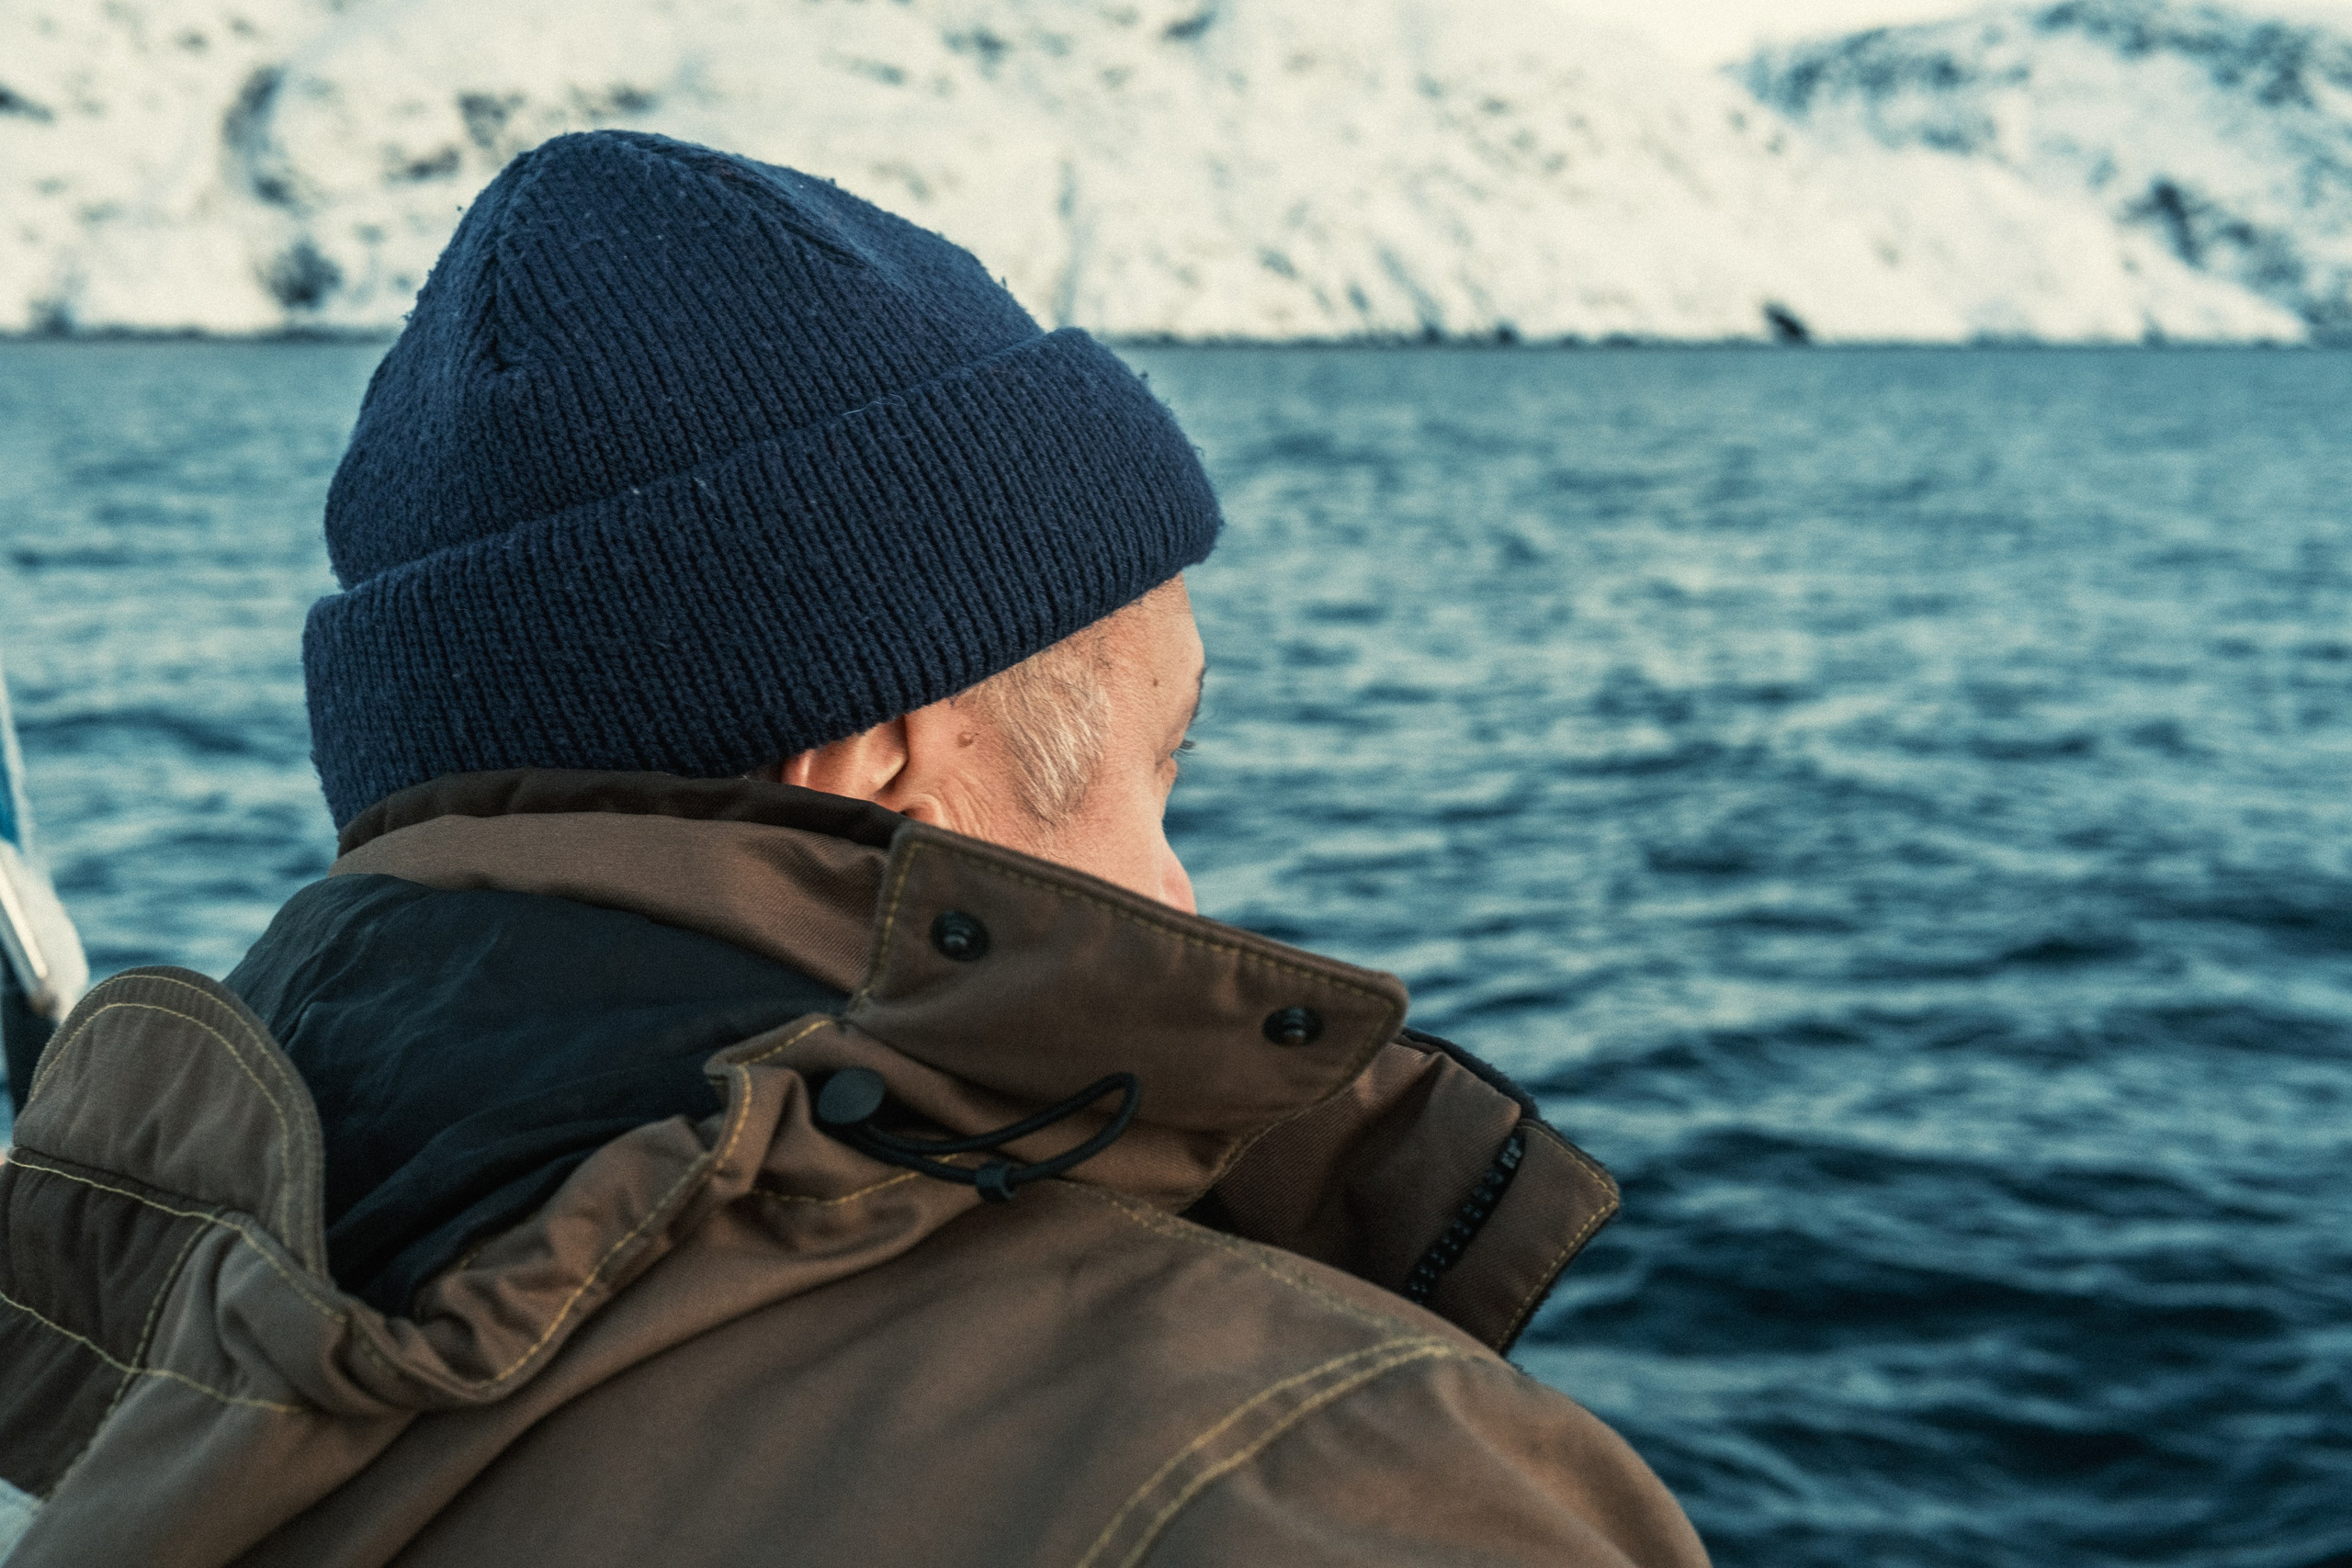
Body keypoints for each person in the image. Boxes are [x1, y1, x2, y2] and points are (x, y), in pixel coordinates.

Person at [0, 130, 1708, 1567]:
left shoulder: (126, 1321)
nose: (1187, 894)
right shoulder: (1331, 1480)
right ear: (879, 753)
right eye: (1157, 768)